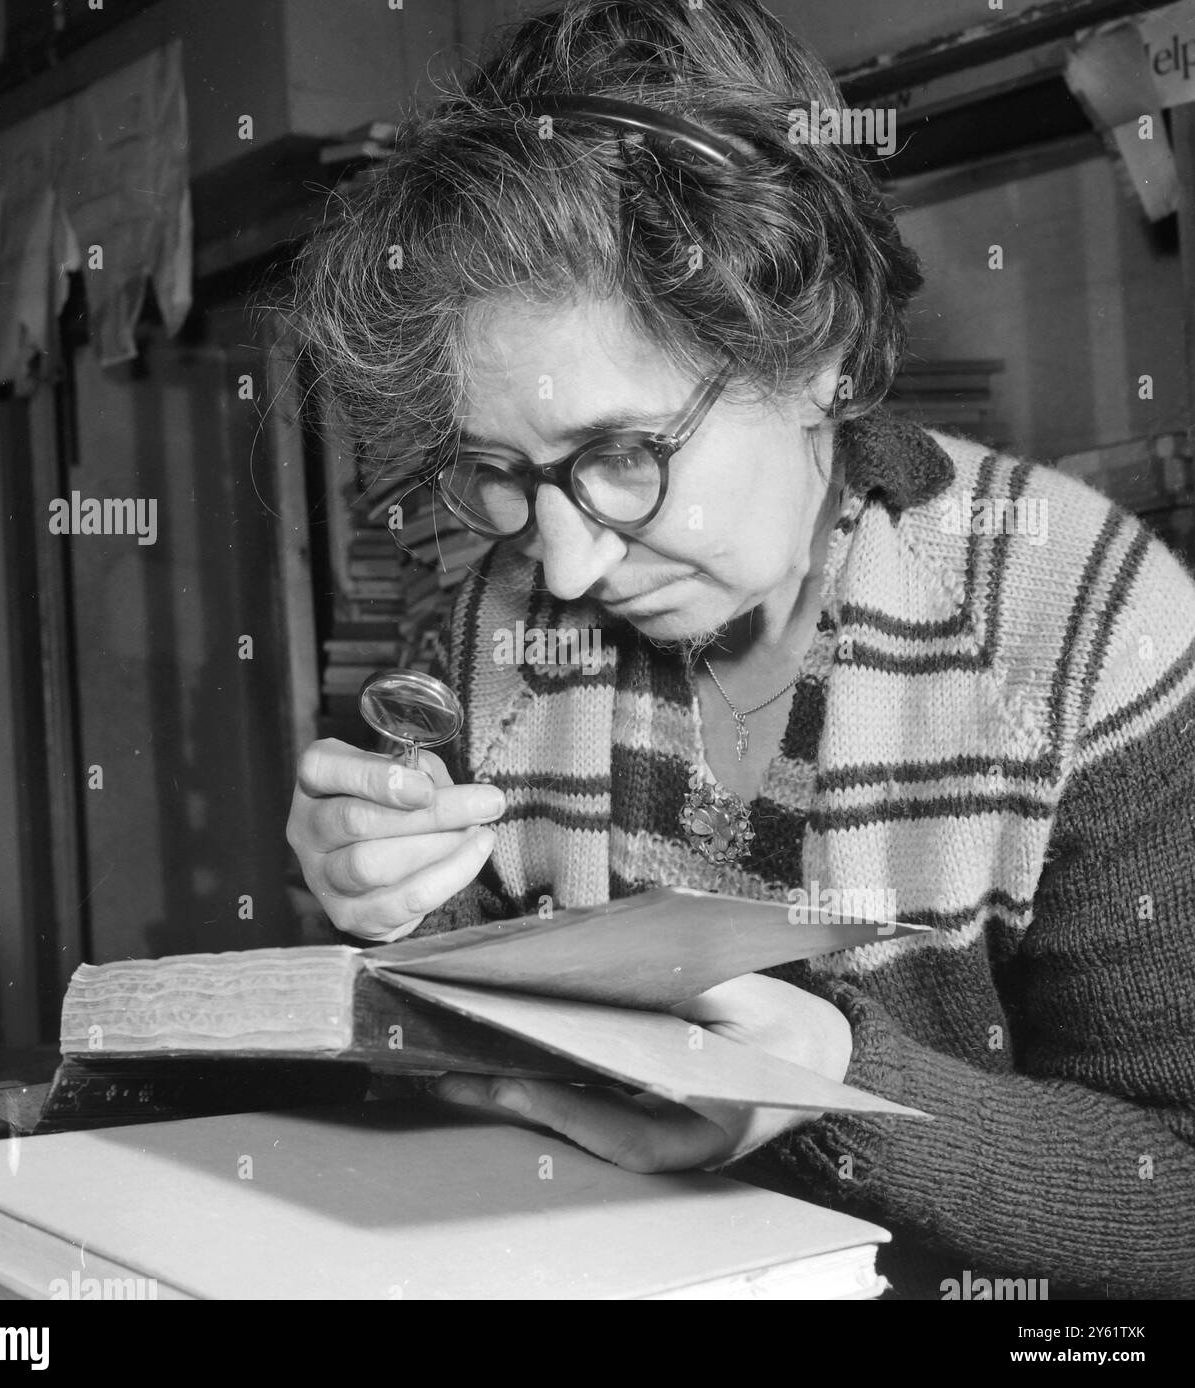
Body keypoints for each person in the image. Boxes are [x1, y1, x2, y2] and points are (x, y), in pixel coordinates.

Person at [286, 0, 1195, 1299]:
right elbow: (455, 1057)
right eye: (496, 469)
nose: (561, 562)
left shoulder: (1089, 628)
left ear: (817, 348)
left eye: (620, 456)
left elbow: (1178, 1188)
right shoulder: (490, 622)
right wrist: (385, 893)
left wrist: (827, 1084)